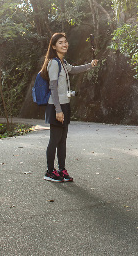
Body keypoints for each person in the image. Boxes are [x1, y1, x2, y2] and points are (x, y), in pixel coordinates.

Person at [41, 32, 98, 182]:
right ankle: (49, 171)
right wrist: (58, 110)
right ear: (53, 46)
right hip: (56, 106)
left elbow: (74, 69)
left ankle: (62, 169)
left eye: (65, 42)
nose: (64, 44)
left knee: (62, 140)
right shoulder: (53, 63)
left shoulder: (63, 62)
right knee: (54, 140)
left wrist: (89, 66)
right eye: (60, 42)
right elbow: (53, 87)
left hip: (64, 104)